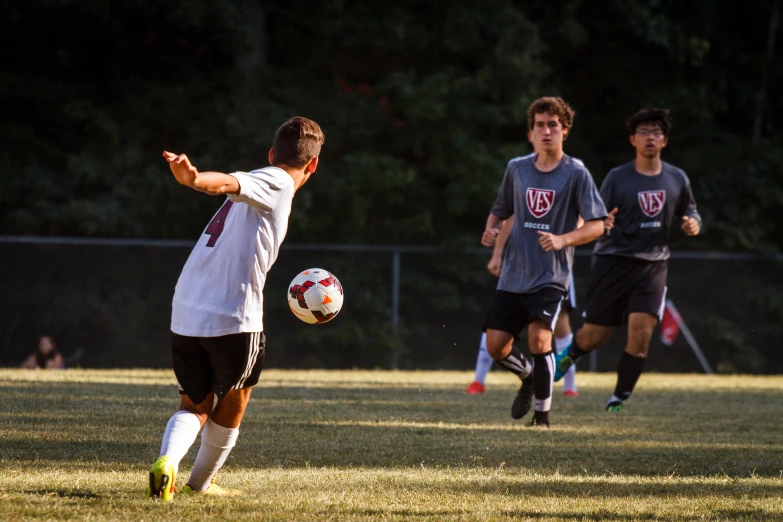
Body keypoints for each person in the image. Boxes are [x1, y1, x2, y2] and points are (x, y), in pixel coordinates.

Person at [146, 116, 325, 501]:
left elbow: (232, 186)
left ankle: (168, 462)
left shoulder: (266, 186)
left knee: (194, 403)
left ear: (272, 151)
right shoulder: (277, 180)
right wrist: (193, 180)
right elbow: (228, 181)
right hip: (232, 313)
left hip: (186, 306)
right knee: (235, 399)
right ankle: (198, 485)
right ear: (312, 164)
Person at [554, 108, 701, 412]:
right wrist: (603, 222)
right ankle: (572, 352)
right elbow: (598, 214)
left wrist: (693, 223)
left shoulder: (677, 177)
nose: (651, 137)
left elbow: (692, 211)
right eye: (644, 132)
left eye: (656, 132)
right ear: (633, 139)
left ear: (665, 140)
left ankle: (618, 399)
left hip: (653, 266)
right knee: (595, 335)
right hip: (613, 261)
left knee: (641, 332)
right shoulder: (618, 177)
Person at [481, 97, 607, 428]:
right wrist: (491, 227)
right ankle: (529, 378)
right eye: (540, 125)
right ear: (531, 132)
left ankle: (542, 417)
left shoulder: (576, 173)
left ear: (565, 130)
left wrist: (564, 239)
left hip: (551, 275)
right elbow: (501, 208)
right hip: (513, 274)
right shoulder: (517, 168)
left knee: (540, 340)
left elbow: (597, 224)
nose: (547, 130)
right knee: (496, 345)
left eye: (553, 124)